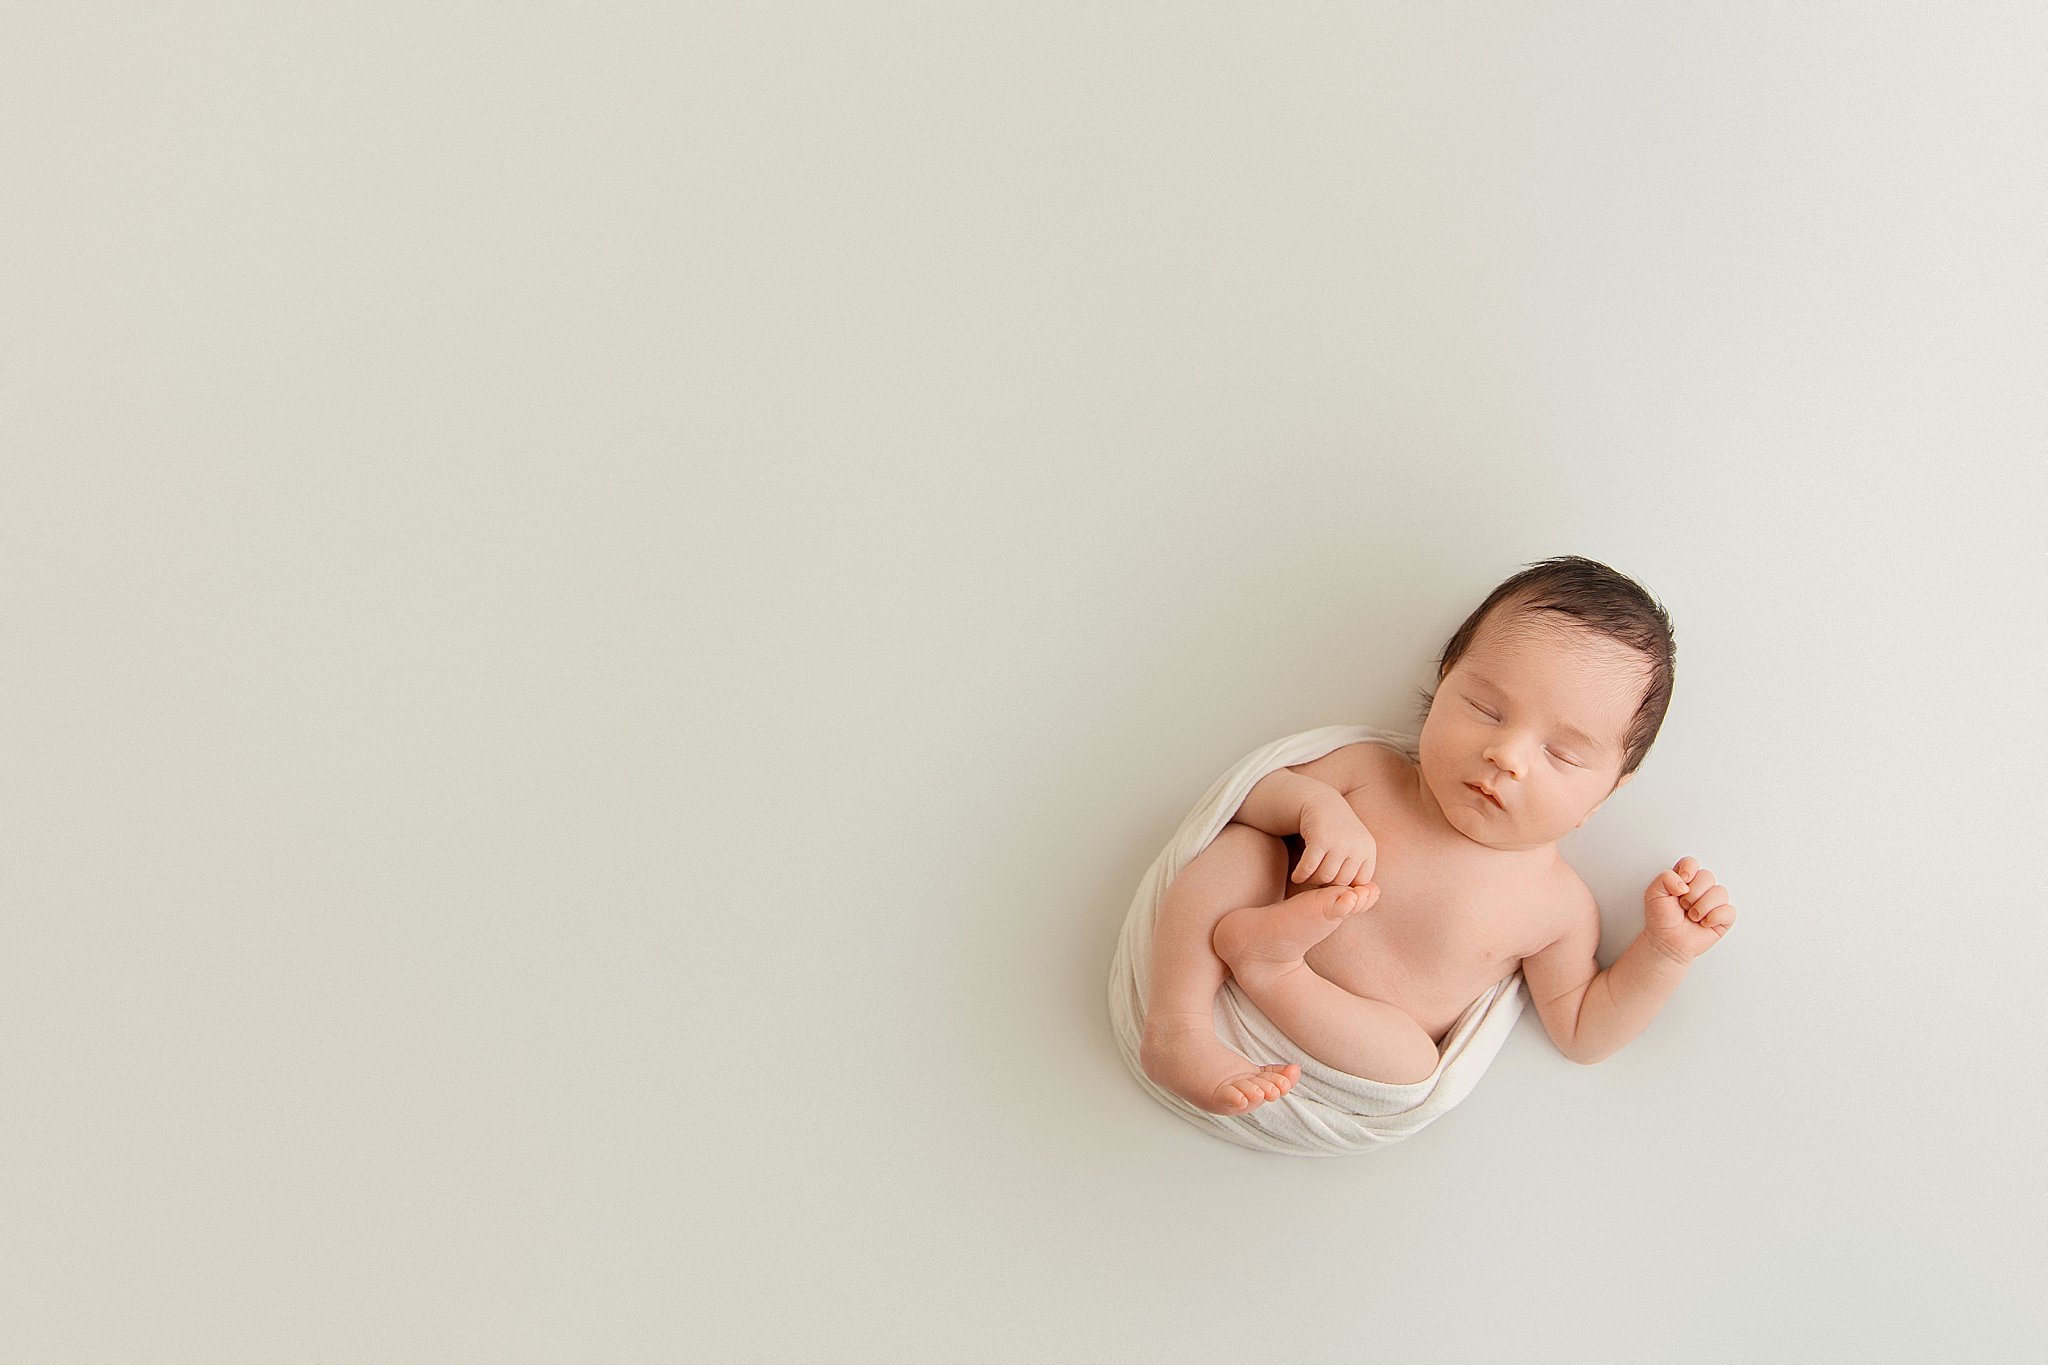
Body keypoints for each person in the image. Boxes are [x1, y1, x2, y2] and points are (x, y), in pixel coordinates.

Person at [1137, 555, 1737, 1115]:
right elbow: (1245, 802)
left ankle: (1272, 967)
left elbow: (1581, 1031)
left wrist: (1664, 953)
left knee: (1413, 1064)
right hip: (1220, 977)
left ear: (1606, 793)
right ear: (1445, 681)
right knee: (1242, 851)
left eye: (1561, 754)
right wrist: (1314, 806)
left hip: (1335, 1036)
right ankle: (1178, 1029)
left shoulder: (1557, 906)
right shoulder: (1370, 774)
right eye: (1485, 709)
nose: (1506, 755)